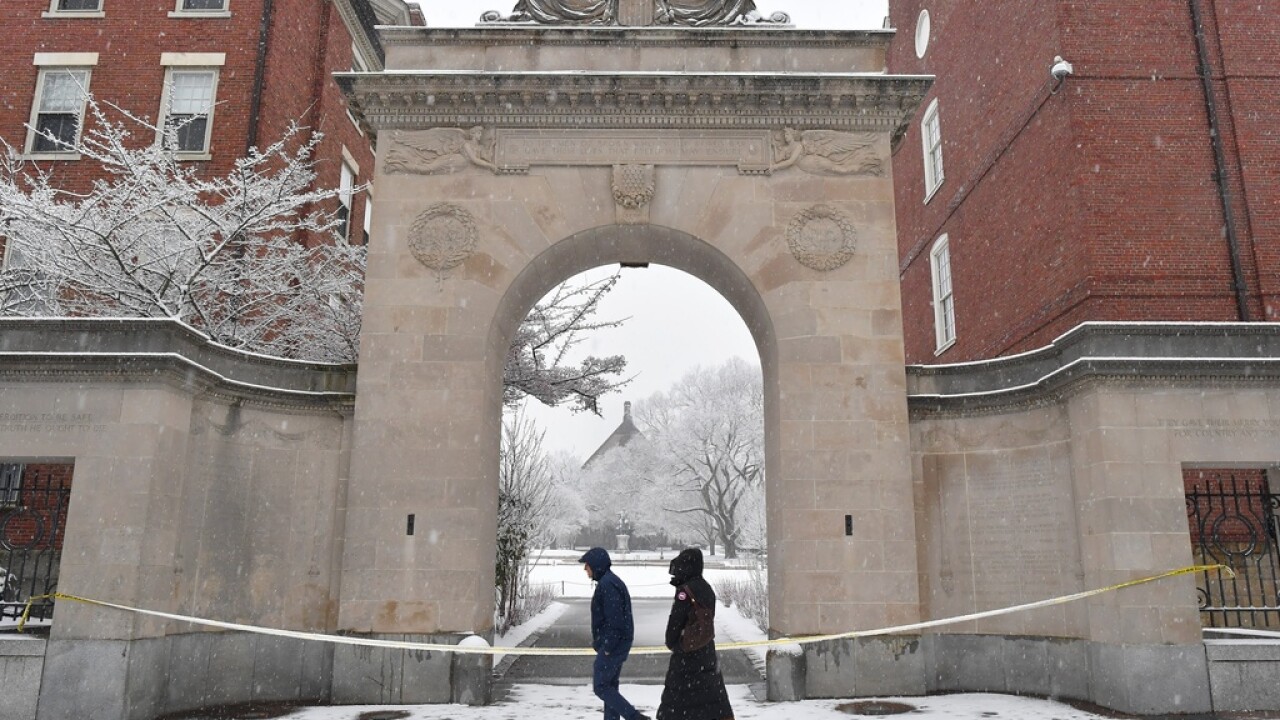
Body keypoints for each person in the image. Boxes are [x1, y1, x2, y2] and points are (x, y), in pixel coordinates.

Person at [657, 548, 735, 720]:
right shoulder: (707, 588)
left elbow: (674, 628)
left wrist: (675, 644)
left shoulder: (685, 592)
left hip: (685, 657)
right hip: (706, 654)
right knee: (709, 699)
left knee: (679, 704)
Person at [580, 547, 651, 720]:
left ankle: (635, 717)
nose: (584, 569)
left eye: (587, 565)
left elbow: (615, 620)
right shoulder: (609, 582)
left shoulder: (608, 585)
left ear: (596, 566)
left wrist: (607, 646)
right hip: (616, 643)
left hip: (613, 645)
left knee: (601, 686)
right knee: (609, 686)